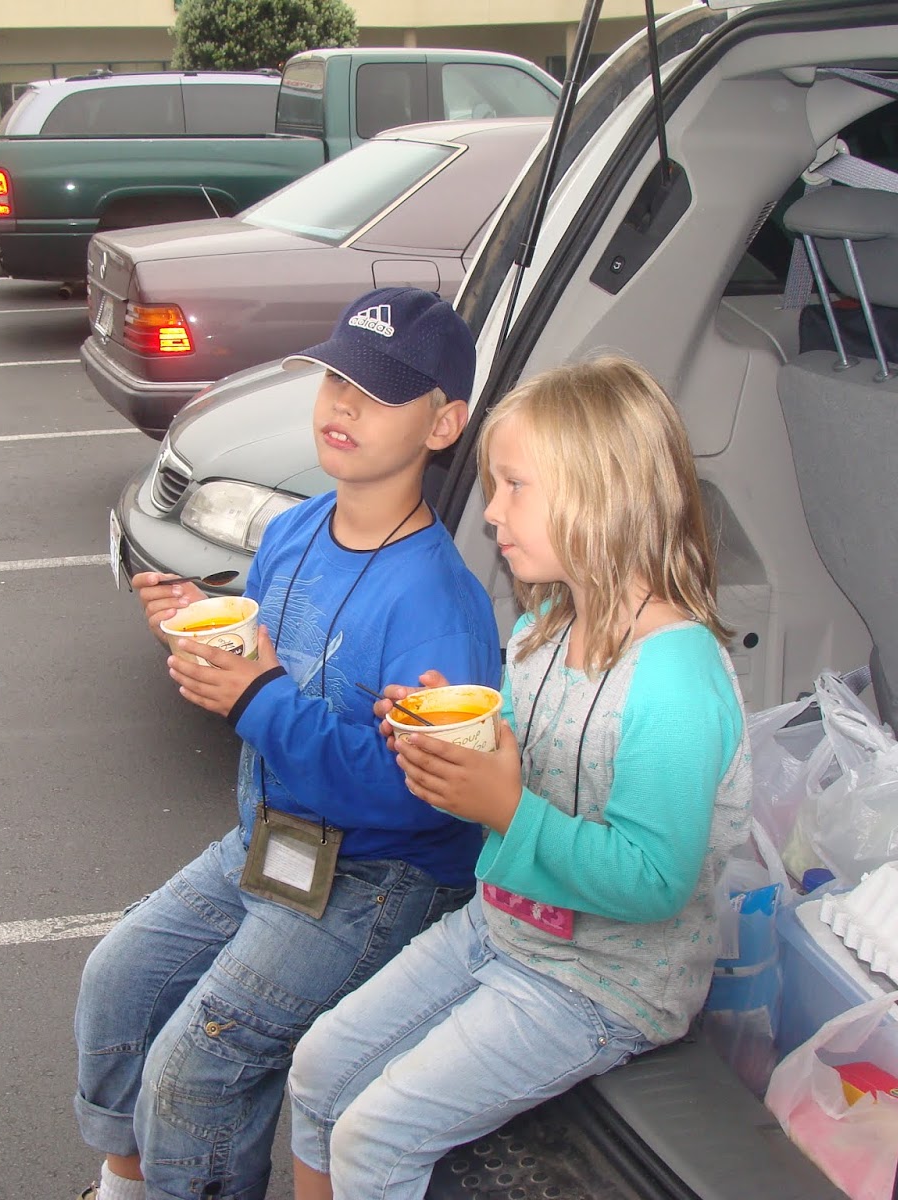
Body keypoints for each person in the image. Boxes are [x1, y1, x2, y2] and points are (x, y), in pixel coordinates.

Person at [286, 356, 753, 1199]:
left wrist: (501, 804)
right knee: (317, 1069)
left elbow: (653, 880)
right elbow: (540, 749)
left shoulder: (678, 679)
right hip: (505, 926)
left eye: (513, 486)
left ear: (600, 497)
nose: (491, 510)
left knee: (375, 1139)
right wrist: (462, 731)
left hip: (605, 981)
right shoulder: (545, 624)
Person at [75, 287, 501, 1200]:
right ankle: (127, 1180)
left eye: (379, 392)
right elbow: (274, 642)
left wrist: (257, 699)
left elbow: (416, 792)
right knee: (119, 979)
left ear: (444, 423)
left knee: (198, 1066)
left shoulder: (438, 606)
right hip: (275, 842)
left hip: (380, 878)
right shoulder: (298, 525)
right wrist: (209, 627)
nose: (341, 404)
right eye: (335, 378)